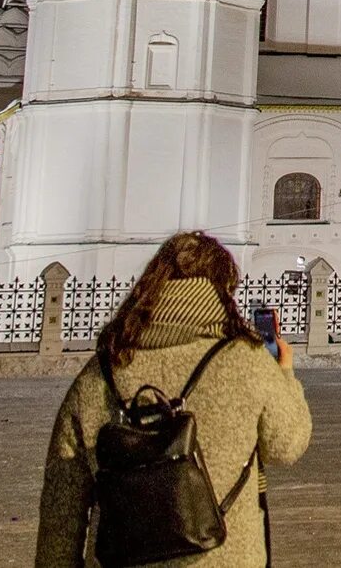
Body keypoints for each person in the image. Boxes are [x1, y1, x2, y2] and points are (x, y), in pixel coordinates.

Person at [36, 231, 311, 568]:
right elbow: (286, 445)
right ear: (222, 290)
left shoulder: (104, 370)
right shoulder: (245, 359)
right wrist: (283, 373)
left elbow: (62, 502)